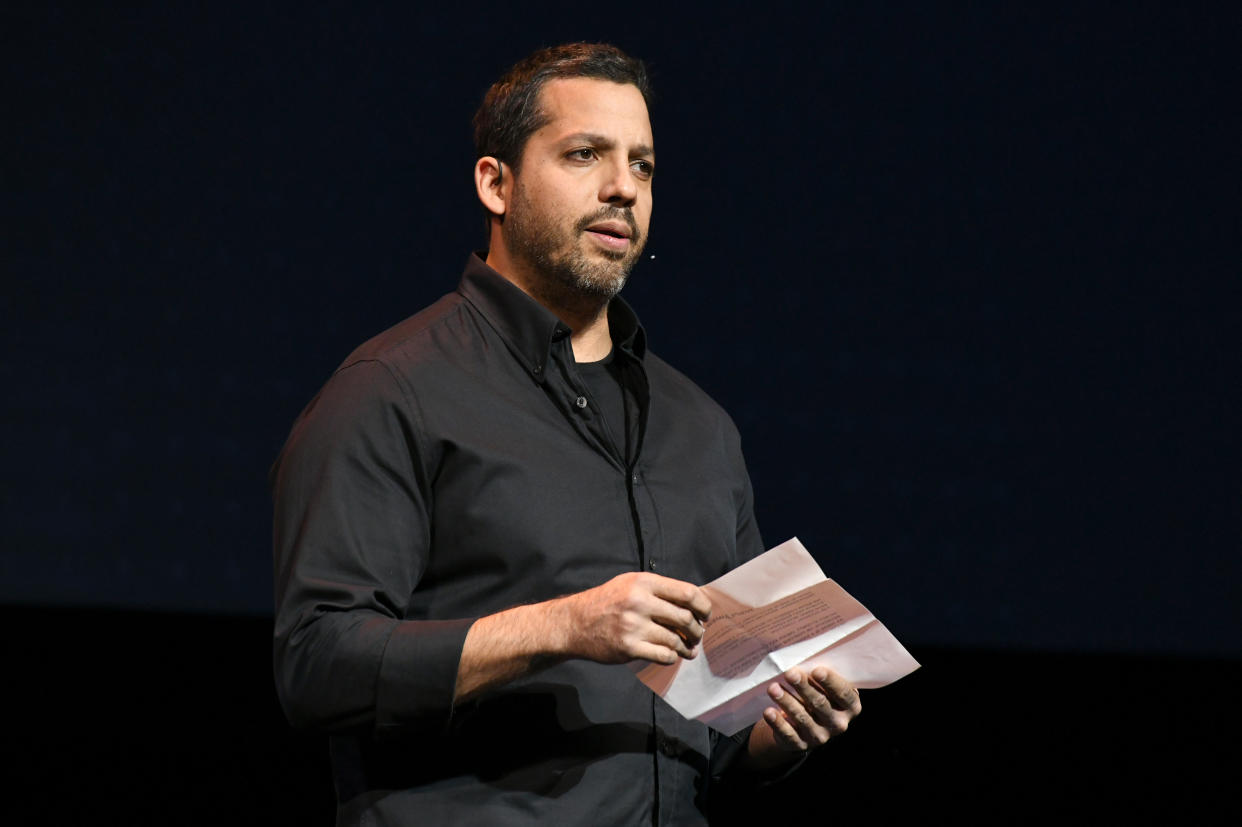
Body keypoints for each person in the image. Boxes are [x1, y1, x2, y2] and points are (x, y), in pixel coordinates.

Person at [271, 43, 861, 825]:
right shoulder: (394, 389)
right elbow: (317, 667)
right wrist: (566, 623)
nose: (623, 187)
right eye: (585, 154)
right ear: (496, 183)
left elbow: (714, 728)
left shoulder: (702, 429)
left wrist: (774, 735)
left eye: (643, 165)